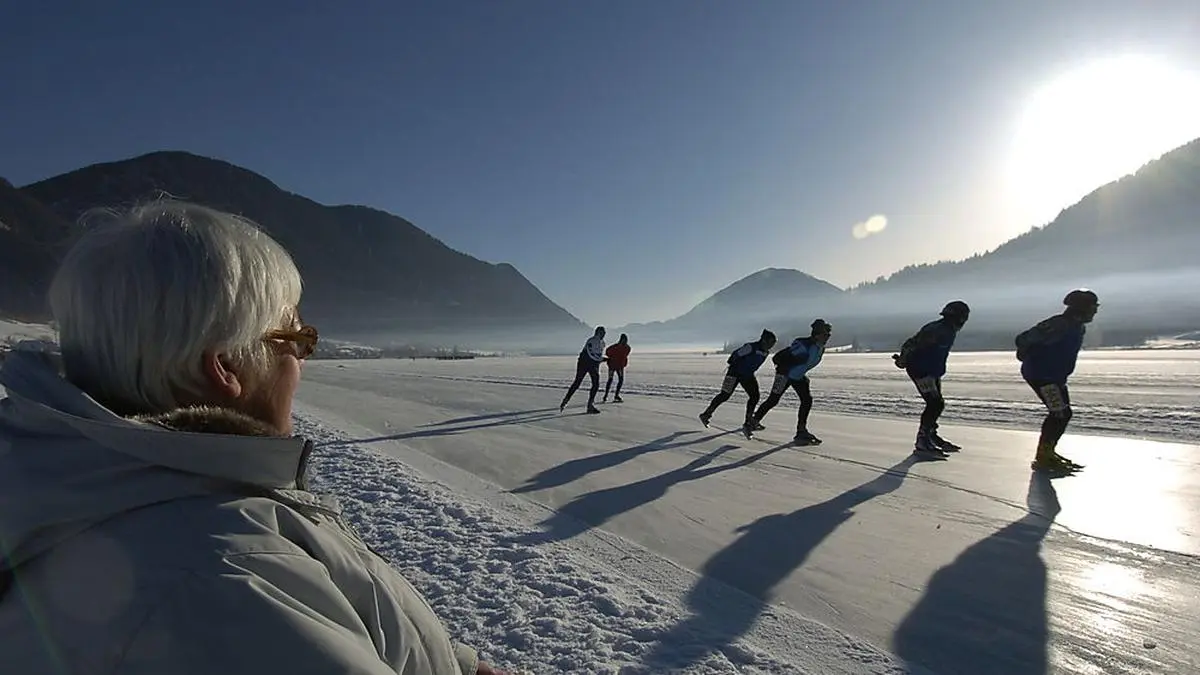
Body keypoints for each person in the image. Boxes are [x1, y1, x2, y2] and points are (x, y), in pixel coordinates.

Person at [0, 201, 520, 675]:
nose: (301, 362)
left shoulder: (132, 489)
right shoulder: (223, 583)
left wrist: (458, 665)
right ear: (225, 365)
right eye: (296, 338)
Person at [1015, 288, 1099, 472]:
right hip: (1042, 376)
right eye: (1094, 307)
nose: (1096, 311)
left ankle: (1047, 452)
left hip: (1054, 377)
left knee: (1062, 414)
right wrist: (1024, 353)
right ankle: (1044, 455)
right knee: (1060, 414)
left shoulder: (1077, 326)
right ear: (1082, 308)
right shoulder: (1059, 324)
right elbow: (1023, 338)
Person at [893, 301, 970, 456]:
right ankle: (923, 440)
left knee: (936, 404)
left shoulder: (946, 329)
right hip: (921, 369)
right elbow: (912, 344)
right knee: (935, 404)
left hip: (931, 370)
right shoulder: (938, 330)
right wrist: (903, 359)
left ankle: (930, 435)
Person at [751, 319, 832, 445]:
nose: (827, 338)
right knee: (773, 399)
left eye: (829, 335)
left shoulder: (819, 348)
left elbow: (806, 364)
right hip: (784, 374)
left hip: (797, 377)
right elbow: (783, 357)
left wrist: (801, 375)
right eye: (825, 335)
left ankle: (801, 431)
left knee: (807, 400)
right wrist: (786, 370)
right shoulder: (804, 345)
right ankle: (753, 421)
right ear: (816, 335)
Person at [698, 329, 777, 435]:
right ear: (764, 340)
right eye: (771, 342)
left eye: (773, 343)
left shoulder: (765, 352)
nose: (771, 346)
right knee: (725, 395)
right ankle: (706, 414)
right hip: (734, 374)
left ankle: (748, 422)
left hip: (747, 375)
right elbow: (735, 355)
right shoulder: (750, 347)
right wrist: (735, 366)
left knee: (755, 396)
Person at [560, 326, 606, 413]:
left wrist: (601, 360)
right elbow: (592, 354)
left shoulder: (603, 343)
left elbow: (598, 356)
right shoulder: (591, 341)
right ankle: (565, 401)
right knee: (578, 382)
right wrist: (602, 359)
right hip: (584, 363)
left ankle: (590, 405)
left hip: (594, 364)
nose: (604, 335)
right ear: (598, 332)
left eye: (604, 333)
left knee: (596, 384)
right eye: (602, 333)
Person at [602, 333, 631, 403]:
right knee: (615, 380)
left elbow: (607, 352)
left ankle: (608, 395)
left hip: (615, 366)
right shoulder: (626, 348)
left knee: (613, 380)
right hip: (616, 366)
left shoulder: (619, 347)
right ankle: (611, 395)